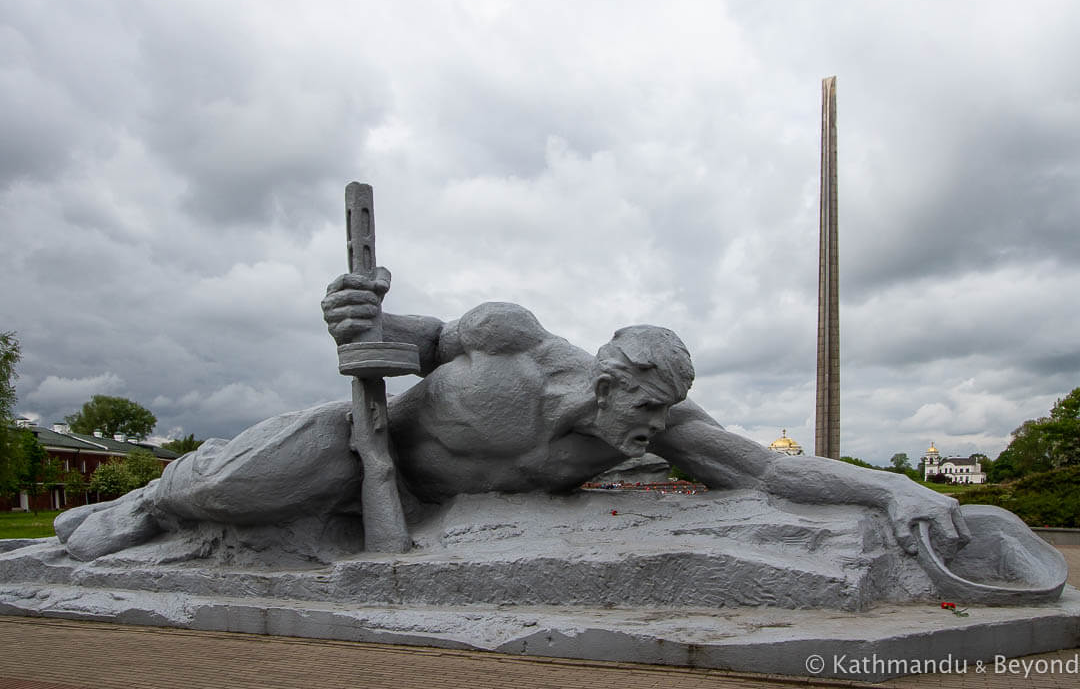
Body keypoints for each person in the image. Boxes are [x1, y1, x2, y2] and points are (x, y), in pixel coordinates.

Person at [56, 268, 969, 562]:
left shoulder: (664, 427)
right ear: (607, 383)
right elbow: (400, 340)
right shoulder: (510, 346)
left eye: (665, 416)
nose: (653, 433)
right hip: (358, 450)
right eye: (645, 410)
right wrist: (357, 316)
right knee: (235, 485)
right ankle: (148, 502)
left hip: (413, 517)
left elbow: (767, 469)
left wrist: (890, 489)